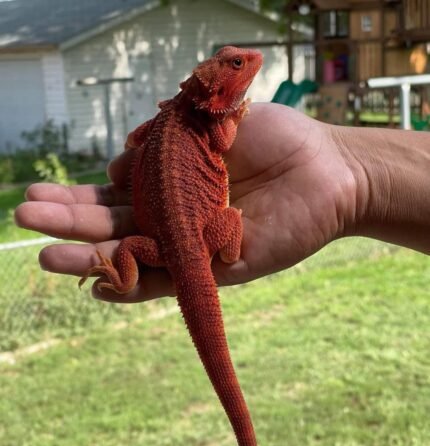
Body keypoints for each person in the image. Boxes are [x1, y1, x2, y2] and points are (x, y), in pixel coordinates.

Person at [14, 103, 430, 303]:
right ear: (212, 92)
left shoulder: (173, 119)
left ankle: (124, 280)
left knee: (128, 247)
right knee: (224, 218)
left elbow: (135, 139)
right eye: (234, 65)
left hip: (163, 248)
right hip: (197, 245)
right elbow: (223, 140)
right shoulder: (208, 122)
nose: (246, 63)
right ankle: (224, 252)